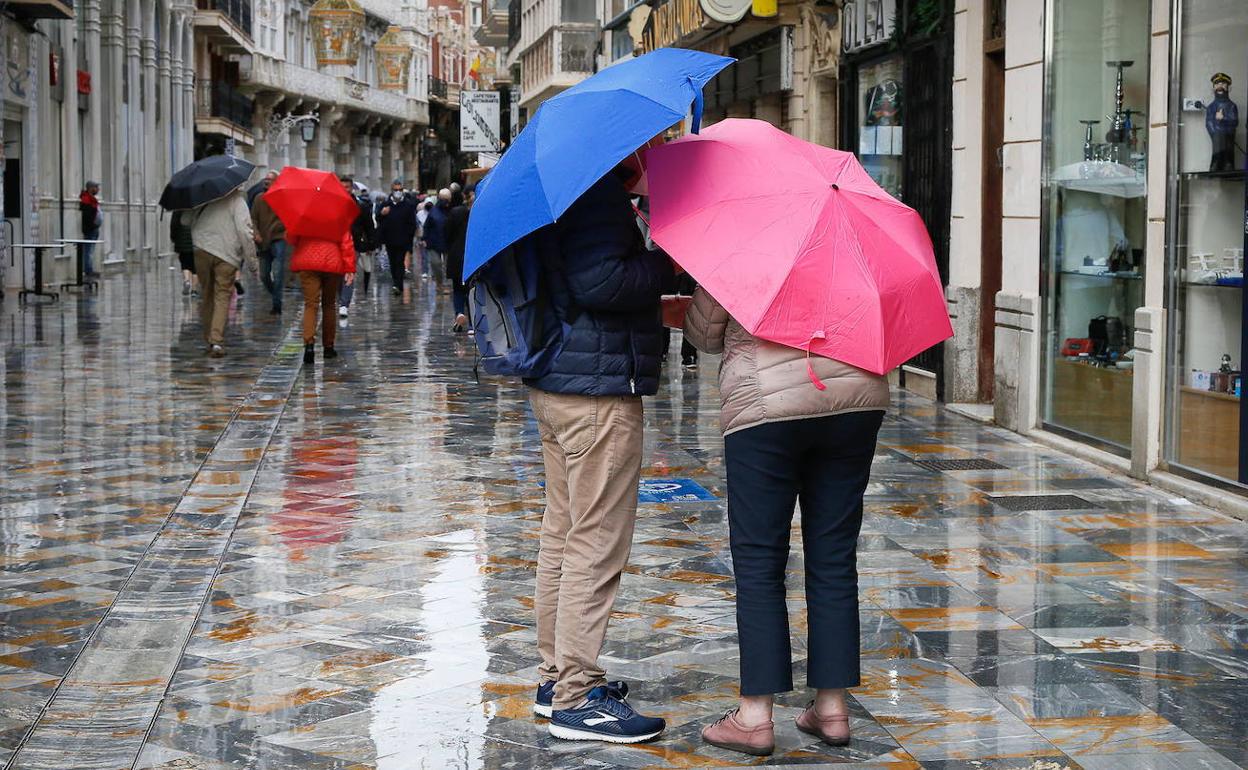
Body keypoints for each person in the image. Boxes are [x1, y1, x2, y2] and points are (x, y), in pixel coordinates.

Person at [682, 288, 889, 757]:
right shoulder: (860, 247)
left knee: (759, 560)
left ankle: (754, 716)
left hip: (765, 405)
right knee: (834, 558)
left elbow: (704, 334)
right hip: (855, 398)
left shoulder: (745, 249)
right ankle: (831, 707)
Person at [526, 165, 673, 745]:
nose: (653, 150)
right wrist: (665, 261)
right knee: (595, 540)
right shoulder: (596, 199)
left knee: (564, 532)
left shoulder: (563, 191)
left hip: (561, 381)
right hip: (597, 393)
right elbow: (601, 282)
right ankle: (577, 696)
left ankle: (554, 677)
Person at [184, 188, 258, 358]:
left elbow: (185, 220)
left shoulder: (204, 197)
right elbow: (244, 231)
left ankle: (209, 338)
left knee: (207, 294)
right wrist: (252, 262)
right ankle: (216, 341)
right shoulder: (237, 201)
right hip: (227, 254)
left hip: (202, 250)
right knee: (222, 295)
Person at [290, 223, 355, 365]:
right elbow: (346, 242)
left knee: (310, 305)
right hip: (332, 261)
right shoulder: (337, 217)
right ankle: (328, 347)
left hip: (308, 261)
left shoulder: (304, 217)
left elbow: (291, 238)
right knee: (329, 304)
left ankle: (309, 345)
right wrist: (349, 268)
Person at [251, 171, 288, 315]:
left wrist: (282, 230)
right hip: (263, 241)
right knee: (264, 275)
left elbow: (288, 218)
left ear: (276, 181)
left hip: (278, 239)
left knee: (278, 273)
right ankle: (276, 296)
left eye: (270, 179)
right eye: (265, 179)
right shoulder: (258, 198)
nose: (266, 181)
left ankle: (276, 305)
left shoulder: (283, 198)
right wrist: (256, 233)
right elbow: (253, 219)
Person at [338, 174, 374, 318]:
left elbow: (369, 226)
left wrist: (370, 244)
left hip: (354, 243)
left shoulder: (360, 206)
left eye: (347, 187)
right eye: (342, 187)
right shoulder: (333, 204)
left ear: (352, 188)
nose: (345, 190)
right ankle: (340, 298)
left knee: (349, 271)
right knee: (338, 273)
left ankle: (344, 304)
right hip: (336, 243)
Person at [375, 179, 418, 295]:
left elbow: (412, 224)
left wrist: (409, 238)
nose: (398, 192)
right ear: (392, 190)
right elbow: (378, 219)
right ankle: (396, 282)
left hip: (403, 240)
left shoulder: (408, 205)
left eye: (400, 189)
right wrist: (382, 213)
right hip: (389, 239)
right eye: (395, 190)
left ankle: (398, 285)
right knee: (393, 262)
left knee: (399, 262)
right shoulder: (386, 204)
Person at [445, 186, 473, 333]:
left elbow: (447, 234)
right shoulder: (477, 212)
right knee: (471, 290)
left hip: (456, 255)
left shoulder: (455, 212)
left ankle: (459, 313)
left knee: (458, 289)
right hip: (472, 255)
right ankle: (473, 323)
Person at [422, 189, 451, 287]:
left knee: (448, 265)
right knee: (436, 263)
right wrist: (425, 238)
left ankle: (446, 283)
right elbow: (427, 226)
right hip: (434, 242)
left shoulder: (451, 210)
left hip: (448, 241)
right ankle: (440, 282)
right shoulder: (433, 211)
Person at [170, 209, 197, 296]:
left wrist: (173, 237)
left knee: (185, 263)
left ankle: (187, 280)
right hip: (196, 240)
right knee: (195, 267)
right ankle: (194, 290)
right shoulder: (198, 207)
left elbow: (174, 224)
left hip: (182, 239)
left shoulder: (178, 208)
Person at [79, 181, 102, 276]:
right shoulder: (86, 199)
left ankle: (89, 268)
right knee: (88, 250)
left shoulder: (92, 199)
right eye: (96, 187)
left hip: (94, 228)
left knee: (90, 250)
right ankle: (88, 270)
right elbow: (87, 216)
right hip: (90, 229)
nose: (98, 189)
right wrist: (92, 226)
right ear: (91, 188)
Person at [416, 200, 433, 280]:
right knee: (424, 255)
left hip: (430, 236)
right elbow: (417, 224)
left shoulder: (433, 213)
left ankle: (430, 272)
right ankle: (425, 271)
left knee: (430, 255)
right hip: (422, 235)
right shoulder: (420, 214)